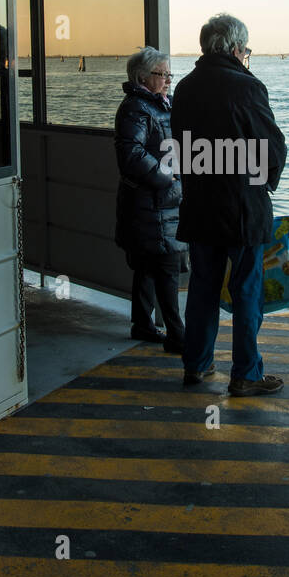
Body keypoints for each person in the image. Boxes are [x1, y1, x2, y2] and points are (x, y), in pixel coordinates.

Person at [171, 13, 287, 395]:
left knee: (202, 287)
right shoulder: (247, 87)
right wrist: (266, 180)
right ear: (236, 48)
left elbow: (183, 150)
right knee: (246, 290)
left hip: (200, 205)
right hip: (240, 209)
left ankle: (197, 365)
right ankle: (245, 375)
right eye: (246, 49)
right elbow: (270, 147)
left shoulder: (185, 88)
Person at [114, 46, 187, 353]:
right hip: (154, 204)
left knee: (146, 267)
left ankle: (142, 325)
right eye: (162, 74)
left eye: (169, 73)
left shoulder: (155, 104)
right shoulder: (138, 108)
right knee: (167, 267)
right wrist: (164, 177)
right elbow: (130, 154)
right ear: (143, 76)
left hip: (155, 204)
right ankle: (177, 335)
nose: (168, 79)